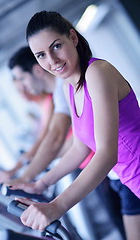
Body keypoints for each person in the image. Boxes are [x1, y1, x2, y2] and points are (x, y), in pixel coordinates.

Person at [11, 11, 140, 239]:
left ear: (73, 37)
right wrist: (41, 184)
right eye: (41, 55)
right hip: (132, 183)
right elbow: (80, 147)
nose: (52, 61)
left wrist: (57, 206)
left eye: (56, 46)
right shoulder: (69, 88)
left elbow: (107, 154)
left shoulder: (97, 73)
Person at [0, 46, 71, 184]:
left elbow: (52, 137)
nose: (24, 90)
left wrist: (24, 174)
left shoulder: (59, 94)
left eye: (23, 80)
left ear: (37, 70)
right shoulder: (57, 94)